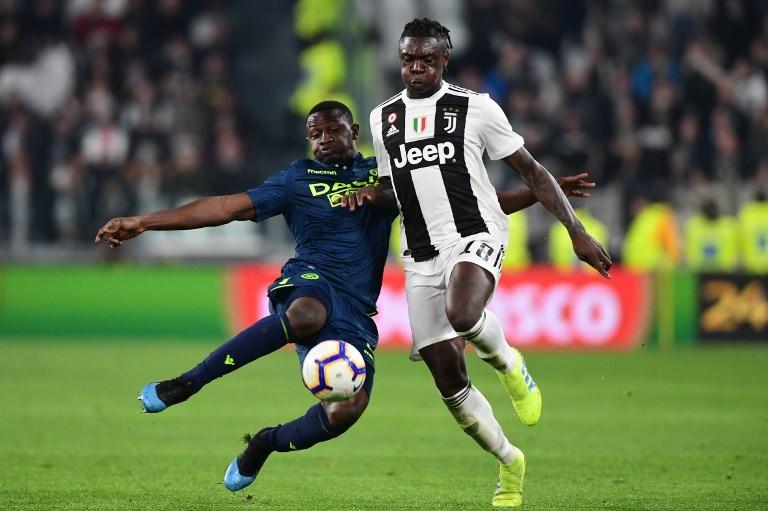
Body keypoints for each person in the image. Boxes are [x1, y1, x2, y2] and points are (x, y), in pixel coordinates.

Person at [95, 100, 595, 495]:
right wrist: (145, 221)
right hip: (309, 281)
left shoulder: (387, 176)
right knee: (308, 313)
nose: (323, 139)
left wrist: (544, 192)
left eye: (332, 130)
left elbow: (470, 203)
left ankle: (263, 445)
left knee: (346, 412)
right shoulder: (297, 179)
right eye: (314, 133)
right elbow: (225, 207)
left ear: (353, 131)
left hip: (355, 311)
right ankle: (186, 383)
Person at [345, 18, 612, 508]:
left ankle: (511, 364)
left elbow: (532, 171)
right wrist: (368, 194)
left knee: (464, 314)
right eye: (408, 59)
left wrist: (576, 230)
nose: (416, 68)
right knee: (450, 383)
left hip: (475, 236)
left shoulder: (476, 108)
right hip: (420, 254)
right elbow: (398, 190)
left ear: (445, 59)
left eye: (427, 59)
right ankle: (510, 462)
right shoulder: (384, 119)